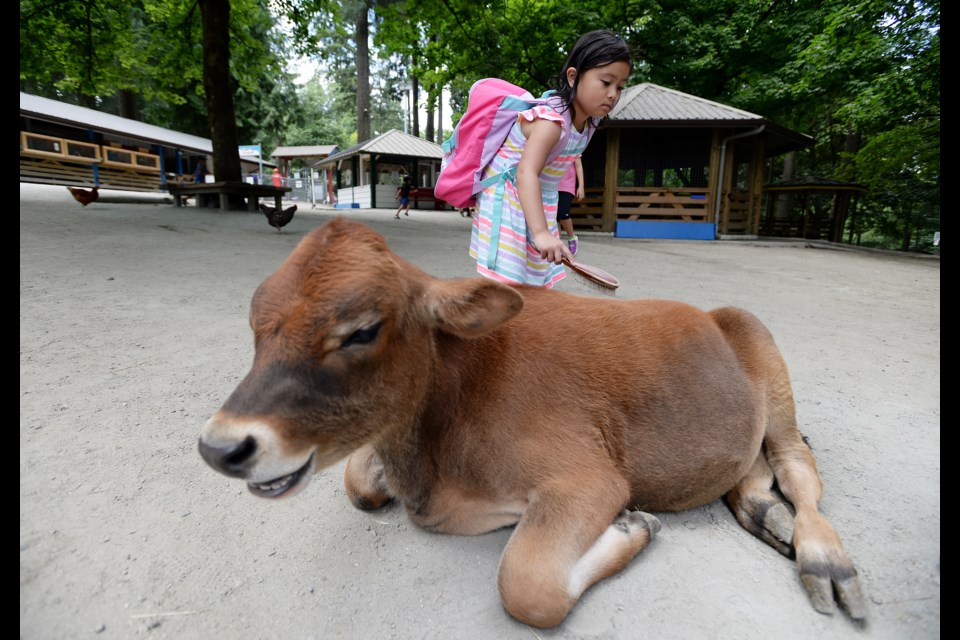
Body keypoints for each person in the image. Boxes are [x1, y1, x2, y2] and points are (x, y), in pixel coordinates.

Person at [468, 30, 631, 287]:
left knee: (535, 280)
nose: (613, 94)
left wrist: (543, 230)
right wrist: (542, 233)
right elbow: (526, 173)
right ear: (573, 76)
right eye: (605, 82)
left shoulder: (589, 124)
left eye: (620, 87)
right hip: (508, 196)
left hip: (541, 199)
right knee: (509, 284)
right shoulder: (551, 121)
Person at [557, 156, 585, 256]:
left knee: (563, 213)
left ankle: (572, 237)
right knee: (554, 217)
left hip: (566, 185)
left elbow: (578, 165)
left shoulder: (574, 143)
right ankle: (557, 243)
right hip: (551, 184)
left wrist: (581, 186)